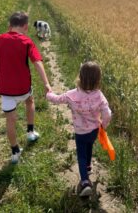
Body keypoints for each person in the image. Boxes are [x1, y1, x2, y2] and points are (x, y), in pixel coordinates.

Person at [0, 11, 51, 164]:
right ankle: (30, 132)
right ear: (26, 27)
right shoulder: (27, 41)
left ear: (9, 26)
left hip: (5, 90)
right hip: (23, 88)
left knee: (10, 120)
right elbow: (37, 62)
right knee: (30, 101)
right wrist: (46, 83)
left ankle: (15, 152)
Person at [46, 61, 112, 197]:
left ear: (80, 77)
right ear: (98, 80)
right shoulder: (99, 96)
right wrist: (103, 125)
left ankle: (85, 182)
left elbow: (57, 99)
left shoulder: (72, 94)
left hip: (80, 132)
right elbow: (108, 114)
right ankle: (88, 167)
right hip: (94, 131)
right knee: (89, 147)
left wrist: (48, 94)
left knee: (81, 155)